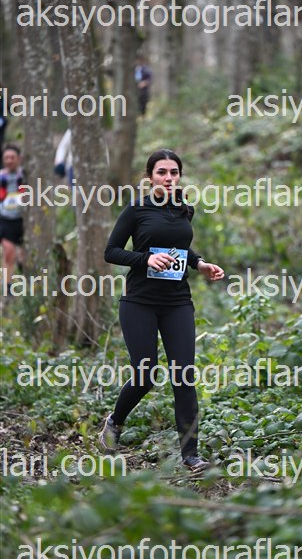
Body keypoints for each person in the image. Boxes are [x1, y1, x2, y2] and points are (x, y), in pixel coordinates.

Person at [99, 149, 224, 471]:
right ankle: (114, 422)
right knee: (146, 373)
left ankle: (190, 455)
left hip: (177, 301)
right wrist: (146, 259)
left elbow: (180, 248)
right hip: (139, 301)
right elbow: (111, 252)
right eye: (162, 172)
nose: (169, 178)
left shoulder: (184, 209)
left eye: (174, 172)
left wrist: (199, 263)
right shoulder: (137, 209)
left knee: (184, 376)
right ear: (150, 176)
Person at [0, 144, 25, 296]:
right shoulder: (1, 176)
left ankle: (25, 281)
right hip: (5, 219)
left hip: (23, 220)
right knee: (9, 253)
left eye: (12, 157)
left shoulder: (25, 176)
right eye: (6, 158)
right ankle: (8, 288)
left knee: (23, 257)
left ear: (19, 159)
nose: (9, 160)